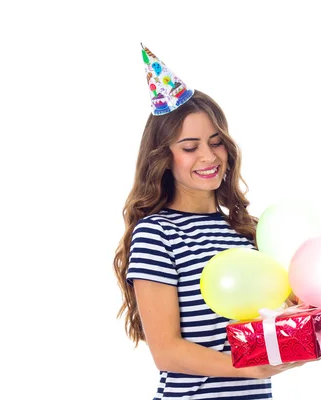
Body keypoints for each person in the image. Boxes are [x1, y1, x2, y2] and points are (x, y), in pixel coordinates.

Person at [113, 45, 308, 399]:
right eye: (190, 147)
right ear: (163, 157)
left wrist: (304, 323)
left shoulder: (247, 231)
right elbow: (167, 352)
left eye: (216, 142)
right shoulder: (157, 234)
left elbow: (267, 322)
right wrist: (247, 366)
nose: (208, 156)